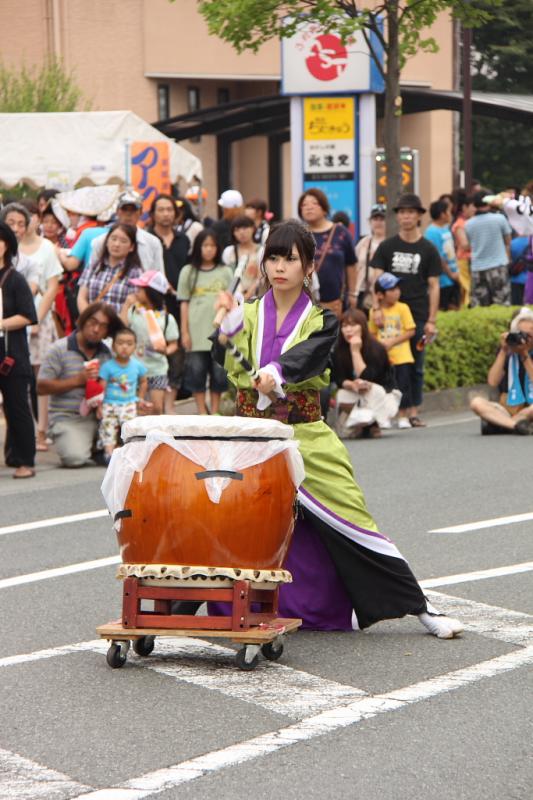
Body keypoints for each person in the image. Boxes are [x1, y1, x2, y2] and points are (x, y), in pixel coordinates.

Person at [214, 219, 462, 638]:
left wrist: (276, 370)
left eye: (290, 259)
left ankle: (421, 607)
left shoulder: (322, 320)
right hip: (249, 436)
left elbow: (309, 357)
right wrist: (226, 330)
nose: (279, 267)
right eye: (273, 257)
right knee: (222, 517)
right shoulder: (250, 313)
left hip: (304, 436)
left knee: (352, 516)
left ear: (308, 266)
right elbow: (227, 355)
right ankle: (189, 604)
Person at [370, 193, 441, 427]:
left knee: (416, 364)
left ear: (419, 216)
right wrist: (377, 307)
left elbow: (433, 285)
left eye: (411, 212)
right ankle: (392, 410)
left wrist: (432, 320)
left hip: (418, 314)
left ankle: (413, 410)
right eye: (402, 212)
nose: (406, 216)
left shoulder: (428, 249)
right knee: (389, 363)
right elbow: (376, 279)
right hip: (390, 315)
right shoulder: (386, 247)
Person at [37, 302, 123, 467]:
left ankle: (99, 447)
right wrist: (77, 380)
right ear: (82, 321)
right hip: (68, 418)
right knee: (75, 458)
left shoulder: (107, 354)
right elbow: (41, 387)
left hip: (101, 417)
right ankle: (93, 448)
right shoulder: (59, 349)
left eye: (103, 326)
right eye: (93, 322)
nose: (96, 329)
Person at [17, 200, 63, 452]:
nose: (27, 222)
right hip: (12, 322)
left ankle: (42, 430)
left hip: (41, 320)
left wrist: (34, 317)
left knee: (42, 376)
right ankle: (25, 429)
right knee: (18, 379)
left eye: (31, 216)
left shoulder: (47, 247)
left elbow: (52, 286)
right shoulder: (9, 248)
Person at [177, 229, 233, 414]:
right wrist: (184, 332)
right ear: (198, 248)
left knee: (219, 373)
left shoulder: (225, 271)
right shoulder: (188, 271)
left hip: (220, 333)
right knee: (196, 372)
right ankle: (202, 411)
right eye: (205, 245)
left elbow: (233, 301)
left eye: (212, 246)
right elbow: (184, 302)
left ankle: (215, 411)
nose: (208, 250)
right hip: (195, 333)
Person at [0, 222, 38, 479]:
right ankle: (12, 455)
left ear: (7, 245)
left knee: (16, 407)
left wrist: (1, 323)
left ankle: (25, 460)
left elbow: (28, 315)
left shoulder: (14, 278)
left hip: (10, 352)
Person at [332, 308, 399, 439]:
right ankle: (358, 425)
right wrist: (352, 385)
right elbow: (339, 378)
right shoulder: (338, 350)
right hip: (354, 391)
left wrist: (355, 352)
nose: (348, 330)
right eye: (344, 326)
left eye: (353, 325)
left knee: (373, 391)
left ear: (362, 326)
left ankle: (373, 424)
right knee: (341, 395)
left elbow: (369, 377)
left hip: (380, 393)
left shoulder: (376, 349)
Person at [121, 270, 179, 414]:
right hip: (134, 368)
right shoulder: (134, 311)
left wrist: (165, 350)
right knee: (132, 408)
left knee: (156, 409)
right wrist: (126, 306)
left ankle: (153, 435)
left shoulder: (166, 319)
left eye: (141, 289)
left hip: (157, 369)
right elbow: (121, 327)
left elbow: (174, 344)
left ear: (152, 292)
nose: (137, 291)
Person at [470, 307, 533, 436]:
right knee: (477, 403)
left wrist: (525, 355)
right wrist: (503, 351)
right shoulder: (507, 351)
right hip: (509, 406)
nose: (525, 339)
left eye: (529, 335)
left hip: (531, 407)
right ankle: (516, 425)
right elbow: (493, 381)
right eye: (521, 334)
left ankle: (502, 424)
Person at [298, 188, 357, 318]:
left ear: (324, 208)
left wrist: (353, 293)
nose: (309, 207)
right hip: (303, 303)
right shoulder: (298, 234)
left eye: (314, 203)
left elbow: (351, 265)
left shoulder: (341, 232)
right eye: (304, 205)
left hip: (334, 303)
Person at [369, 274, 416, 428]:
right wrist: (378, 346)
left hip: (402, 356)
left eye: (397, 288)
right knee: (384, 388)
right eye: (392, 289)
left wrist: (392, 342)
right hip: (383, 358)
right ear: (380, 295)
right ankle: (385, 416)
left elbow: (410, 331)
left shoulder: (403, 308)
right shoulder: (374, 312)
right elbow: (372, 333)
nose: (397, 292)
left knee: (403, 387)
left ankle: (403, 416)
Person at [98, 328, 149, 462]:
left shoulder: (137, 365)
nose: (124, 347)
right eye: (120, 343)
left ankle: (130, 453)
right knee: (107, 426)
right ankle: (109, 454)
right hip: (109, 403)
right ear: (113, 345)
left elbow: (144, 381)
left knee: (130, 428)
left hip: (129, 403)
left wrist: (140, 398)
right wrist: (99, 405)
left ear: (135, 346)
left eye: (129, 343)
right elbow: (101, 387)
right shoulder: (107, 366)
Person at [86, 190, 165, 274]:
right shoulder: (100, 242)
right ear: (117, 212)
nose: (128, 214)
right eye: (124, 209)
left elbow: (159, 276)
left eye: (133, 210)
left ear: (141, 212)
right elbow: (91, 274)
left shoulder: (152, 243)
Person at [77, 223, 143, 315]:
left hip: (119, 326)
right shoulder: (94, 266)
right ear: (107, 242)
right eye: (113, 239)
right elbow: (81, 297)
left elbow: (134, 305)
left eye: (123, 241)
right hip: (92, 324)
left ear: (131, 247)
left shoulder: (135, 272)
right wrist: (89, 319)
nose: (116, 244)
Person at [465, 191, 512, 307]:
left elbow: (469, 244)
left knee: (480, 307)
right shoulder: (500, 219)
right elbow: (508, 241)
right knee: (502, 304)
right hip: (498, 266)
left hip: (477, 269)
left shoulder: (468, 224)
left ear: (475, 205)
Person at [424, 199, 460, 311]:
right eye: (448, 211)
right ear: (442, 214)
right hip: (443, 280)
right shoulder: (431, 232)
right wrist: (451, 274)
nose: (451, 214)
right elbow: (438, 257)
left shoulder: (445, 228)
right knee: (446, 308)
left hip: (453, 276)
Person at [354, 203, 386, 314]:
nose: (378, 222)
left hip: (385, 294)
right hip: (363, 293)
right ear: (370, 222)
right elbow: (354, 266)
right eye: (375, 219)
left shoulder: (391, 243)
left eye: (382, 219)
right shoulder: (363, 243)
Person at [221, 215, 262, 298]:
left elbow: (260, 278)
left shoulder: (261, 251)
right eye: (237, 230)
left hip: (254, 298)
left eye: (245, 228)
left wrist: (247, 296)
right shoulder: (229, 251)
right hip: (232, 298)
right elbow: (225, 276)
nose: (241, 232)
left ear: (253, 228)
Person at [451, 191, 475, 307]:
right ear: (464, 207)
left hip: (471, 260)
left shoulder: (469, 222)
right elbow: (464, 245)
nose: (474, 209)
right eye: (472, 206)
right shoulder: (460, 224)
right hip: (464, 261)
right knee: (467, 287)